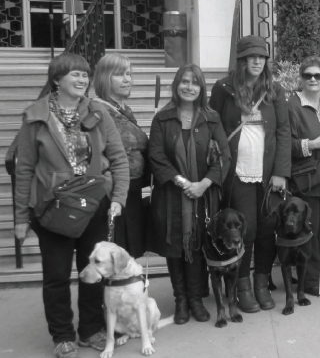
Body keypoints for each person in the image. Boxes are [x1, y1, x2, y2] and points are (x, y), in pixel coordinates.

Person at [14, 52, 129, 358]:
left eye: (85, 75)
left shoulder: (98, 113)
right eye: (74, 75)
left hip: (94, 205)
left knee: (93, 270)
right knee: (56, 275)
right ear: (56, 80)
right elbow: (24, 168)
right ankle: (62, 335)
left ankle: (90, 329)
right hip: (53, 208)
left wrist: (118, 198)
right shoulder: (35, 116)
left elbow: (118, 159)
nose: (82, 80)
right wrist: (21, 216)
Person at [210, 35, 291, 313]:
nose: (257, 61)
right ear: (241, 60)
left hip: (268, 174)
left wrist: (281, 172)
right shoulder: (223, 88)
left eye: (262, 57)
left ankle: (261, 284)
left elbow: (283, 131)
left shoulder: (274, 90)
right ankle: (241, 288)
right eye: (251, 57)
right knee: (246, 230)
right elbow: (215, 126)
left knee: (267, 230)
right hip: (238, 173)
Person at [149, 64, 230, 325]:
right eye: (184, 81)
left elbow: (224, 157)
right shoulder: (162, 118)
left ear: (201, 88)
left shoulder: (211, 118)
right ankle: (181, 299)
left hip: (203, 196)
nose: (189, 87)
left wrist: (205, 183)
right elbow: (157, 156)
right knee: (175, 246)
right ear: (176, 85)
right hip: (172, 195)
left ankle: (196, 298)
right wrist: (184, 182)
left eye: (194, 83)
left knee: (196, 244)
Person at [288, 56, 320, 296]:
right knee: (310, 233)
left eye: (318, 75)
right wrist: (314, 143)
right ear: (301, 78)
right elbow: (286, 144)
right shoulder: (292, 105)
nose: (313, 80)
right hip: (306, 180)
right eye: (308, 75)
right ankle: (309, 282)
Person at [93, 53, 149, 258]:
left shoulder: (124, 109)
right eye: (119, 74)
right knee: (113, 257)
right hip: (111, 194)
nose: (127, 79)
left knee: (128, 256)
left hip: (132, 191)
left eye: (129, 73)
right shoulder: (96, 109)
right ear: (105, 77)